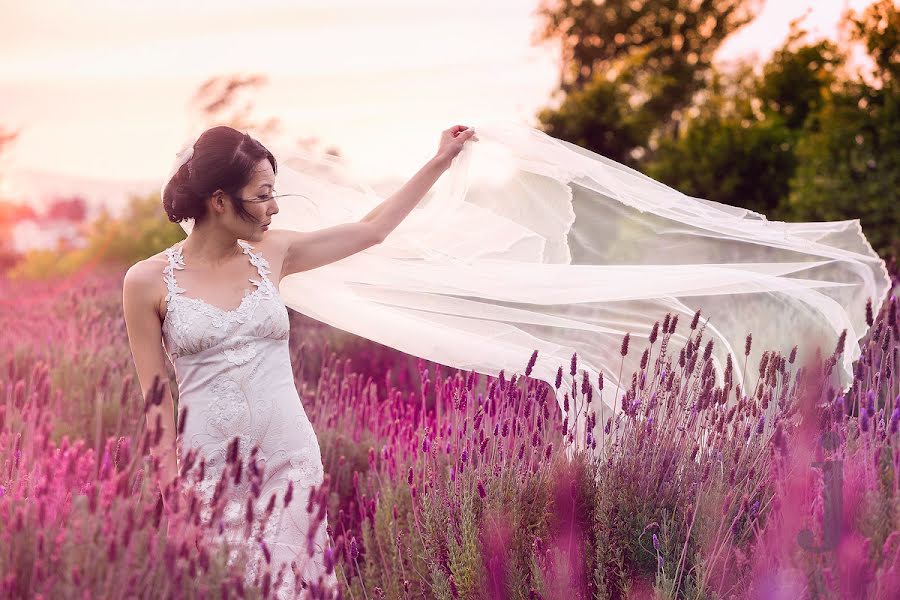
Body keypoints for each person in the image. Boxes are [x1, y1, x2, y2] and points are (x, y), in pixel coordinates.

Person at [121, 123, 478, 597]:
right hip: (208, 472)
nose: (273, 208)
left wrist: (440, 160)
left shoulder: (275, 253)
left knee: (294, 586)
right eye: (262, 194)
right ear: (220, 200)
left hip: (288, 462)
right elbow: (157, 401)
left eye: (275, 193)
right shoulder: (146, 282)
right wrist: (174, 500)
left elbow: (372, 230)